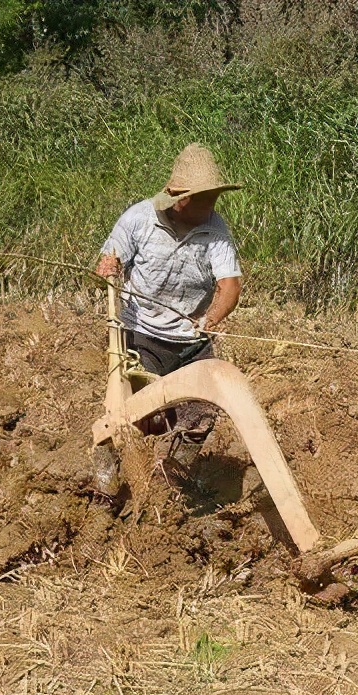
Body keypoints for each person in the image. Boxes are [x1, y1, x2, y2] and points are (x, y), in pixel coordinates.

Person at [91, 143, 244, 496]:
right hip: (142, 333)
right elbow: (109, 261)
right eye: (201, 200)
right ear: (177, 197)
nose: (210, 208)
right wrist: (108, 267)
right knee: (140, 415)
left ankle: (169, 483)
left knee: (201, 415)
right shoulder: (138, 219)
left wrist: (209, 320)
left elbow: (230, 286)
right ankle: (108, 481)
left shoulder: (215, 230)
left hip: (191, 340)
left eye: (213, 200)